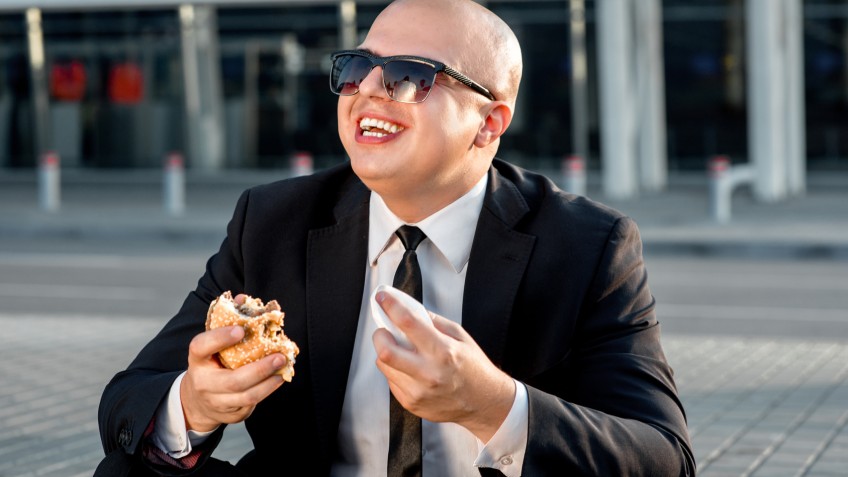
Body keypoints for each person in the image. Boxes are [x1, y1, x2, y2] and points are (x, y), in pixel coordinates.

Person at [97, 0, 695, 475]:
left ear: (489, 122)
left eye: (411, 75)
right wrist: (196, 405)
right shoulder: (274, 221)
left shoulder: (589, 244)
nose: (369, 90)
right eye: (358, 68)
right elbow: (129, 400)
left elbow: (662, 455)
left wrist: (494, 405)